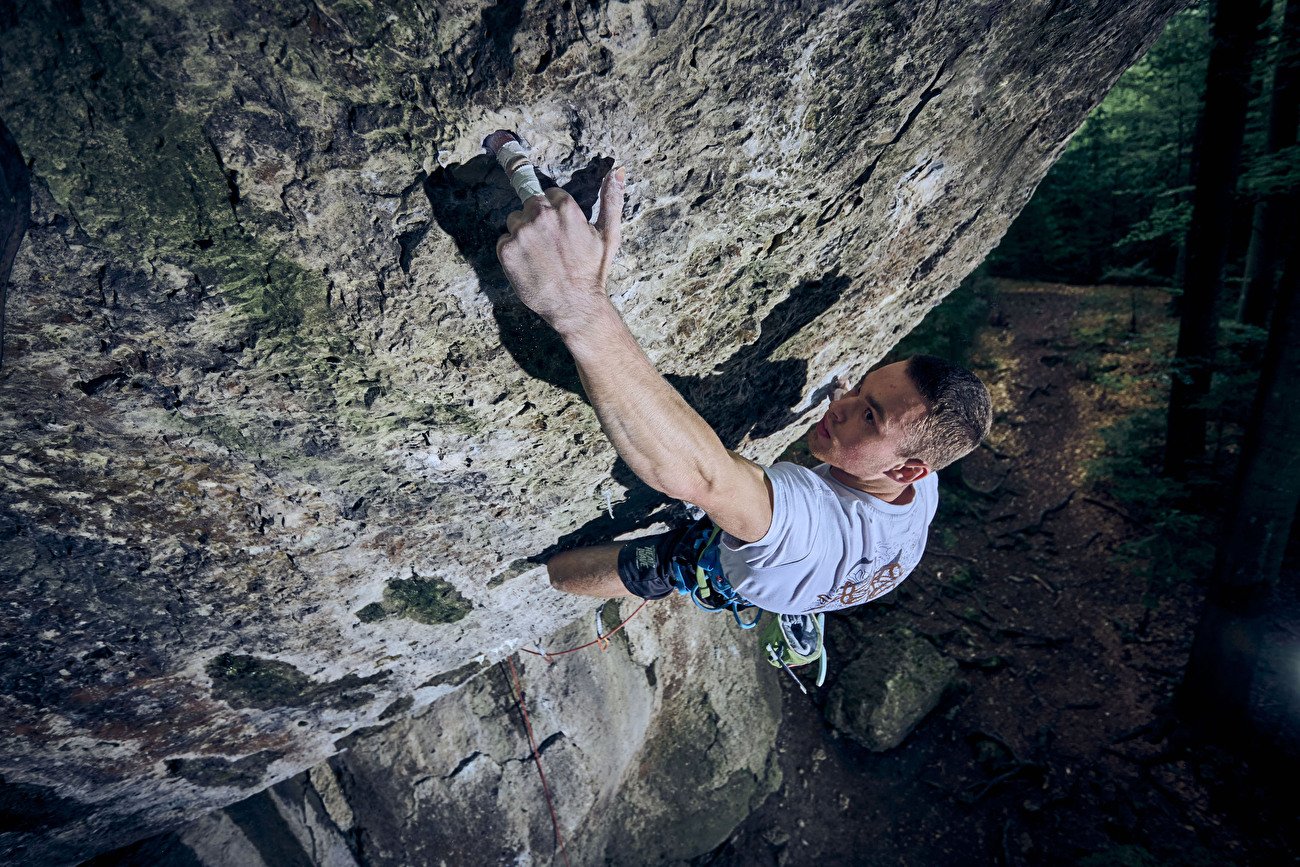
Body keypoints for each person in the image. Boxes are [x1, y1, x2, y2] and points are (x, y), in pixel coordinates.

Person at [496, 168, 992, 615]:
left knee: (560, 572)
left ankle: (684, 565)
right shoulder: (919, 484)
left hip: (767, 569)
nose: (841, 407)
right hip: (837, 574)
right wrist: (865, 411)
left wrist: (577, 301)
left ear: (906, 469)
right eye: (860, 390)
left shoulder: (804, 526)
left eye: (869, 417)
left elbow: (700, 477)